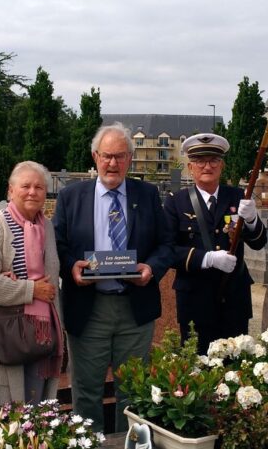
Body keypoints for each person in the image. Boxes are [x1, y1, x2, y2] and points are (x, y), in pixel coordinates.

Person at [53, 122, 173, 432]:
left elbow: (166, 244)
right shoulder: (71, 196)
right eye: (106, 156)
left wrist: (152, 269)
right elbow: (58, 245)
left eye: (120, 156)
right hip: (88, 308)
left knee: (132, 392)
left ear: (130, 159)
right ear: (95, 156)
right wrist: (71, 267)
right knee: (87, 390)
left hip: (135, 310)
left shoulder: (146, 195)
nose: (112, 163)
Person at [0, 161, 64, 417]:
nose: (32, 192)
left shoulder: (47, 227)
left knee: (37, 408)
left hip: (42, 335)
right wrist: (30, 290)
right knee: (9, 413)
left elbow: (53, 278)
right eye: (25, 186)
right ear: (11, 191)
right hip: (7, 334)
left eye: (39, 187)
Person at [163, 133, 267, 353]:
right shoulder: (176, 202)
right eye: (200, 161)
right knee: (198, 370)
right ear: (190, 167)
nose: (207, 166)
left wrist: (251, 220)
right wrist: (207, 258)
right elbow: (168, 250)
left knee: (235, 369)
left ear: (222, 165)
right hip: (195, 300)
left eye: (213, 160)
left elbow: (259, 243)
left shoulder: (239, 196)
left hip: (233, 298)